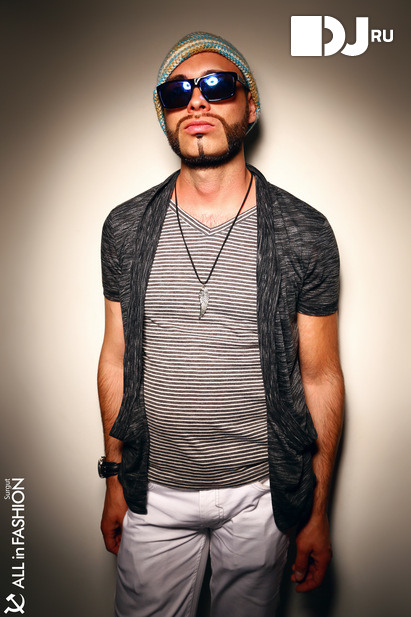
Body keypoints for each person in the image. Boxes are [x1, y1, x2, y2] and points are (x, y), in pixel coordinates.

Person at [97, 31, 344, 617]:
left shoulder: (305, 231)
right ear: (164, 115)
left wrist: (316, 513)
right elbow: (116, 357)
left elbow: (321, 376)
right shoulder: (125, 228)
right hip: (153, 491)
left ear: (250, 107)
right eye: (177, 91)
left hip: (263, 495)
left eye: (217, 85)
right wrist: (114, 480)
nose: (196, 101)